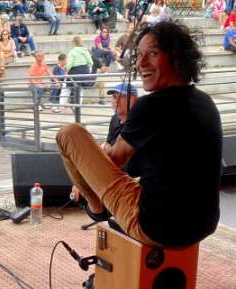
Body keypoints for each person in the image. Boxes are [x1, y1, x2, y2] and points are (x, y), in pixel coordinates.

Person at [56, 21, 222, 247]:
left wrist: (84, 174)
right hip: (202, 224)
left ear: (177, 57)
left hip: (157, 227)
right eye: (138, 55)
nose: (141, 63)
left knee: (69, 133)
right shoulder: (206, 101)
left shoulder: (150, 105)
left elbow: (114, 161)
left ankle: (94, 205)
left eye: (152, 53)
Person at [65, 36, 93, 104]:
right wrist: (87, 68)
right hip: (84, 72)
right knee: (80, 90)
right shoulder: (85, 50)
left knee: (65, 90)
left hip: (75, 72)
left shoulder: (72, 51)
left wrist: (66, 73)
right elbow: (90, 63)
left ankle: (61, 107)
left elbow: (69, 65)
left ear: (74, 42)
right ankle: (78, 107)